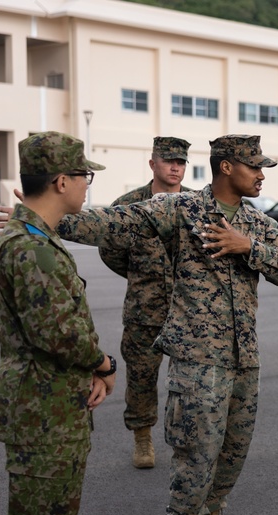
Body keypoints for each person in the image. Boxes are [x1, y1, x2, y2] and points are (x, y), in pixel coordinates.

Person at [54, 135, 278, 515]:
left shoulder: (257, 223)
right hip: (197, 356)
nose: (262, 174)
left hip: (244, 356)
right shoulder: (181, 210)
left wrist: (250, 247)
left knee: (233, 447)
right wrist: (46, 217)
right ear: (226, 168)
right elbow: (115, 223)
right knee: (196, 449)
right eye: (254, 167)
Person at [0, 131, 115, 515]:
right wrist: (104, 364)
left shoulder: (38, 239)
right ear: (62, 181)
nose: (87, 186)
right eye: (84, 177)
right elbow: (59, 332)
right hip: (40, 413)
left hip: (54, 407)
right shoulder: (29, 249)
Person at [102, 136, 192, 469]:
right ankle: (142, 438)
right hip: (145, 309)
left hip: (190, 311)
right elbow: (110, 249)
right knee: (141, 377)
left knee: (191, 382)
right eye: (168, 160)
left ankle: (189, 440)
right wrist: (140, 275)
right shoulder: (128, 205)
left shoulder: (197, 204)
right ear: (152, 163)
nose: (175, 167)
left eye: (180, 162)